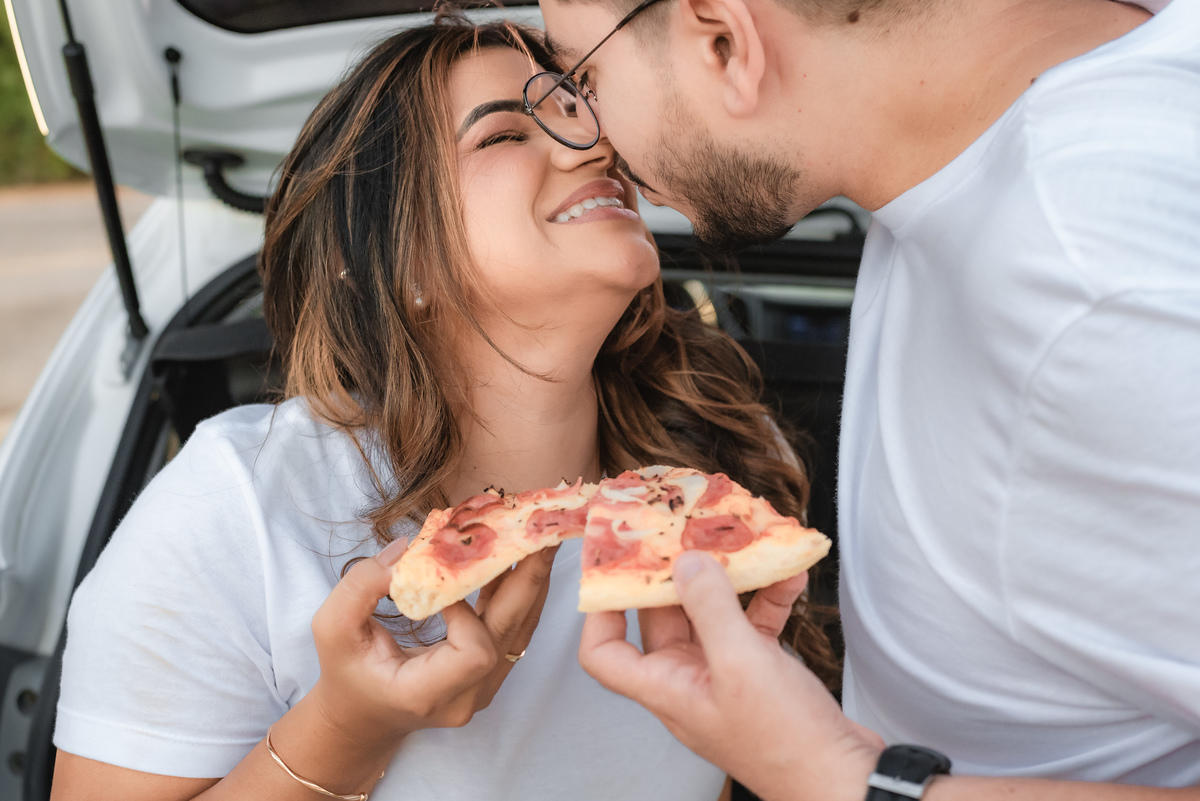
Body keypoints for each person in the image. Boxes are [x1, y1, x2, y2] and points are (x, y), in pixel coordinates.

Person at [47, 15, 836, 801]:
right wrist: (346, 728)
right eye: (502, 135)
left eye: (577, 108)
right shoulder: (238, 504)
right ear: (400, 257)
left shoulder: (714, 475)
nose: (595, 144)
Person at [534, 0, 1200, 795]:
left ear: (724, 42)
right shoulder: (1004, 139)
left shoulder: (1092, 293)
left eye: (583, 77)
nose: (591, 139)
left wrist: (835, 777)